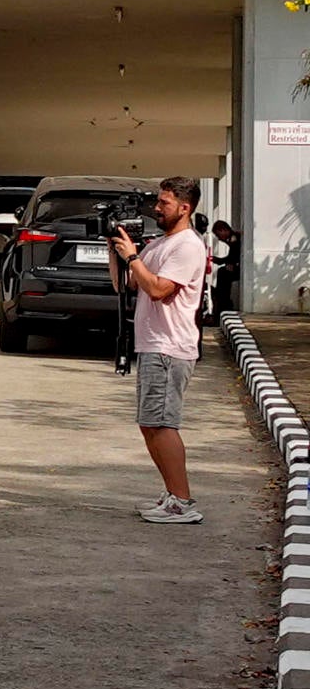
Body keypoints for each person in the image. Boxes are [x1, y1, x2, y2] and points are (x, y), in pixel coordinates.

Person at [110, 176, 210, 524]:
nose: (157, 208)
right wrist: (115, 249)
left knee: (164, 425)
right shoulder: (157, 245)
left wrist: (133, 256)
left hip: (170, 347)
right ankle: (172, 494)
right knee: (149, 423)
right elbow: (126, 284)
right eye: (158, 201)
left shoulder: (188, 246)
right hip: (152, 345)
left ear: (184, 207)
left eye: (164, 203)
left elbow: (158, 289)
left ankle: (182, 502)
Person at [211, 219, 241, 314]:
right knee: (222, 272)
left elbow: (234, 255)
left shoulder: (234, 239)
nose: (219, 239)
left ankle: (223, 303)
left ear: (223, 230)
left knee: (223, 273)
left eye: (218, 235)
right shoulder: (232, 239)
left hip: (241, 268)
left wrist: (223, 261)